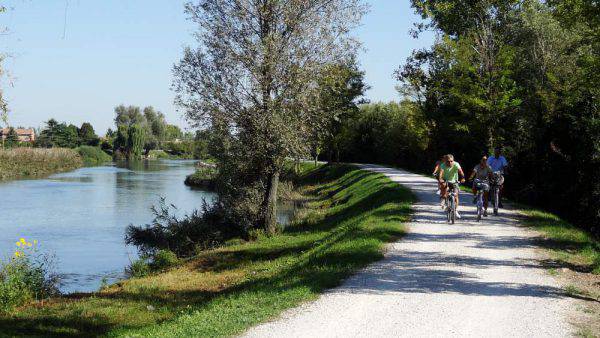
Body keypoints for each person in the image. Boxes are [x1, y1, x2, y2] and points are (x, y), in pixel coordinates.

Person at [438, 154, 466, 218]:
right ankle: (443, 198)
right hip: (446, 180)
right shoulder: (443, 165)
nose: (450, 162)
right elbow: (441, 173)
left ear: (453, 161)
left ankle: (455, 210)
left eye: (451, 161)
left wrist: (463, 178)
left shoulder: (456, 164)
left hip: (454, 181)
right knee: (443, 185)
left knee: (456, 195)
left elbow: (461, 171)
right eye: (448, 161)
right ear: (445, 161)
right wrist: (440, 179)